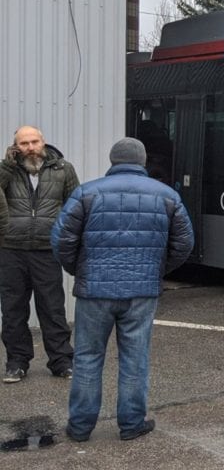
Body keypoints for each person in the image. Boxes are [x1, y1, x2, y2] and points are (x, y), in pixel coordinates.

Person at [51, 138, 194, 442]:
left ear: (112, 160)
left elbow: (61, 241)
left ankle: (79, 427)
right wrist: (157, 270)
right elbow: (184, 245)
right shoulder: (167, 195)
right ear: (142, 161)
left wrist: (80, 269)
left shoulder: (86, 192)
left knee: (88, 357)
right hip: (142, 292)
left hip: (94, 291)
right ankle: (131, 424)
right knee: (135, 358)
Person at [0, 126, 78, 383]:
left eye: (34, 141)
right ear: (15, 147)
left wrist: (67, 238)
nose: (30, 147)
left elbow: (74, 205)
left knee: (52, 308)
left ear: (43, 142)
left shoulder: (62, 169)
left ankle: (61, 361)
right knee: (13, 309)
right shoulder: (7, 171)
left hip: (46, 249)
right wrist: (8, 167)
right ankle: (16, 362)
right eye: (24, 143)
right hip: (12, 249)